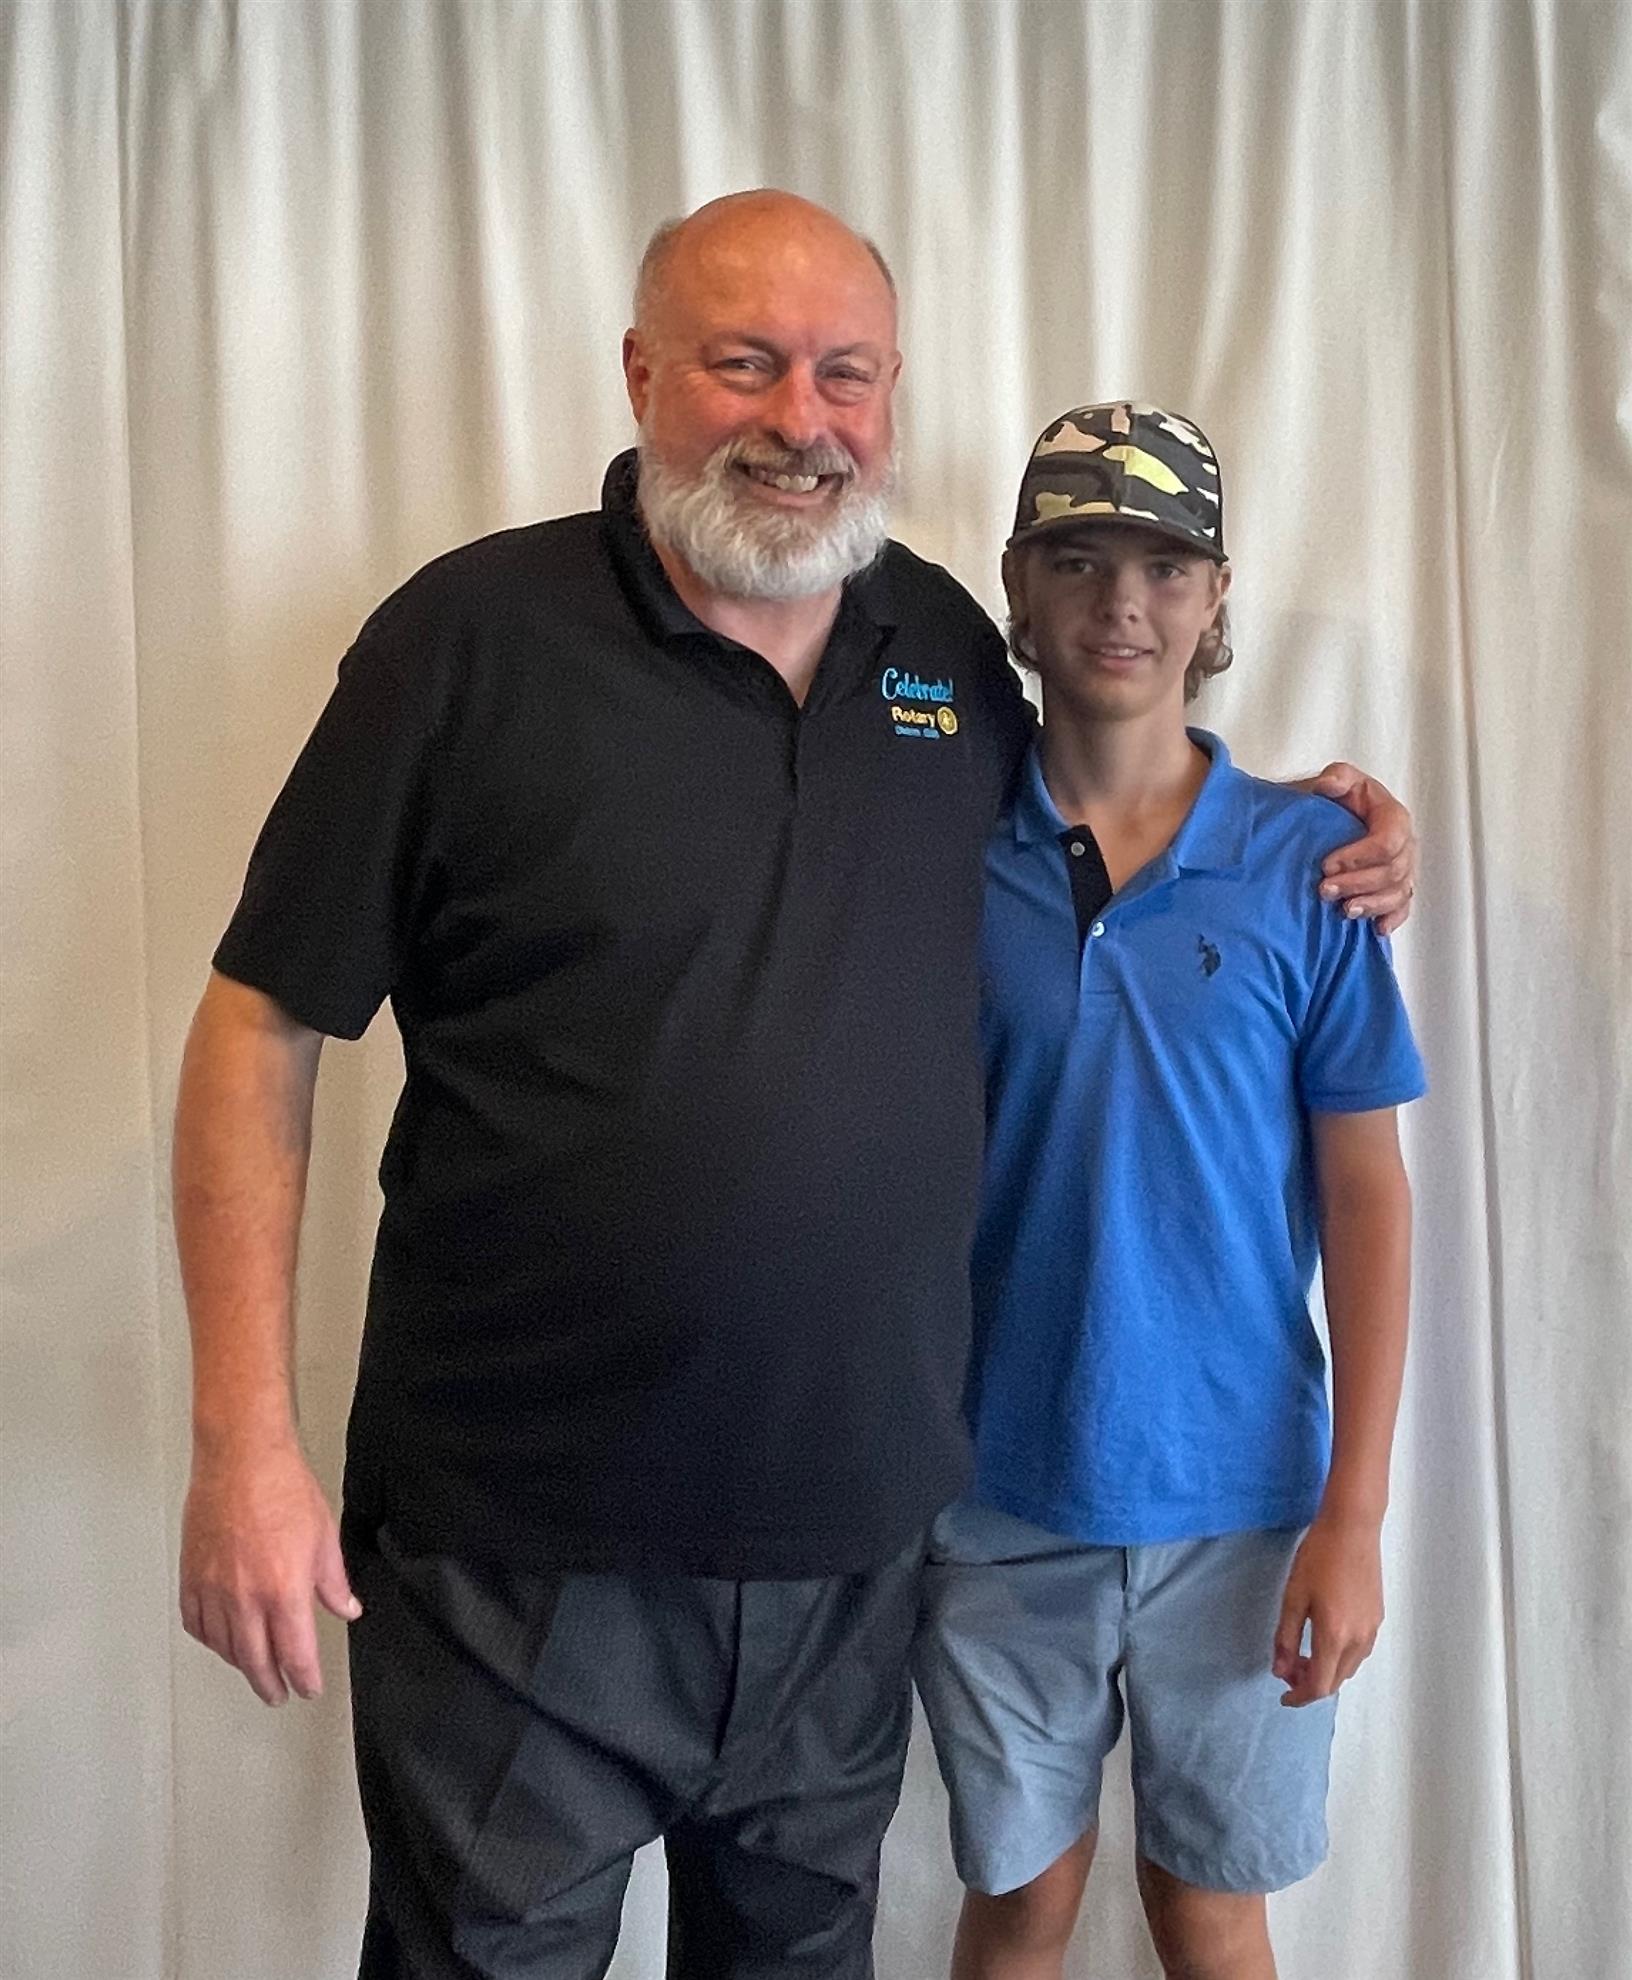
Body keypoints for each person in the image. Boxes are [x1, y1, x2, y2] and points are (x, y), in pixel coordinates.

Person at [172, 196, 1417, 1980]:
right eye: (744, 363)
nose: (800, 420)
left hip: (855, 1550)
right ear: (640, 373)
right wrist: (244, 1445)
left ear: (892, 397)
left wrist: (1318, 824)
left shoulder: (939, 657)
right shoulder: (468, 643)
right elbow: (258, 1026)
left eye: (845, 374)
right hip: (523, 1554)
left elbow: (1123, 797)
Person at [912, 403, 1426, 1980]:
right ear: (1017, 584)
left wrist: (1355, 1512)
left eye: (1163, 565)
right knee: (1024, 1907)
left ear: (1215, 599)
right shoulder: (932, 849)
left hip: (1247, 1504)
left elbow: (1368, 1195)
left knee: (1211, 1913)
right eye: (1078, 559)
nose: (1120, 602)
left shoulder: (1310, 865)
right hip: (997, 1488)